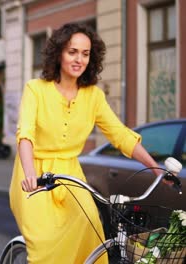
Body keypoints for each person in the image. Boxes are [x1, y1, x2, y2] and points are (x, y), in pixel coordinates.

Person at [9, 22, 166, 263]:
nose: (79, 59)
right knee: (46, 247)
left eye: (85, 53)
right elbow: (26, 134)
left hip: (70, 174)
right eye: (72, 52)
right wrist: (31, 176)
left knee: (92, 230)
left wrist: (154, 166)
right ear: (59, 53)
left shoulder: (94, 96)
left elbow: (120, 135)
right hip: (35, 175)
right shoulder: (36, 90)